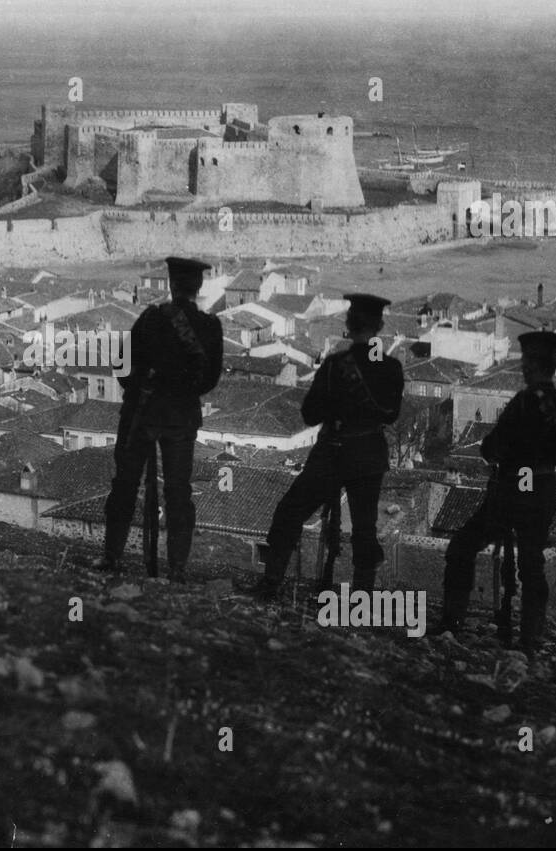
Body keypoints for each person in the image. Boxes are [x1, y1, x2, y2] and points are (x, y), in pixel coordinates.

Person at [253, 293, 404, 600]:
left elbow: (310, 413)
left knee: (290, 513)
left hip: (332, 454)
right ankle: (362, 598)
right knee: (365, 528)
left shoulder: (336, 365)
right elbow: (391, 414)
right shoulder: (391, 368)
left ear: (348, 324)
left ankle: (270, 586)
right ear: (380, 326)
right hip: (368, 456)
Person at [437, 329, 556, 655]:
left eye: (526, 361)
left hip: (511, 490)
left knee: (463, 547)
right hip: (542, 490)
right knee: (532, 565)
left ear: (533, 364)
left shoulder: (524, 402)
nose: (523, 368)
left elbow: (491, 447)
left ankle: (452, 622)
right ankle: (531, 639)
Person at [95, 256, 223, 582]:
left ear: (171, 283)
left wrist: (141, 388)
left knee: (124, 485)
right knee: (179, 492)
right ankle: (177, 567)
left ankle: (112, 557)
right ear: (199, 287)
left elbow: (122, 365)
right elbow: (210, 380)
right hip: (181, 418)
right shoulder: (210, 326)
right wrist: (180, 389)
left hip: (142, 413)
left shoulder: (151, 318)